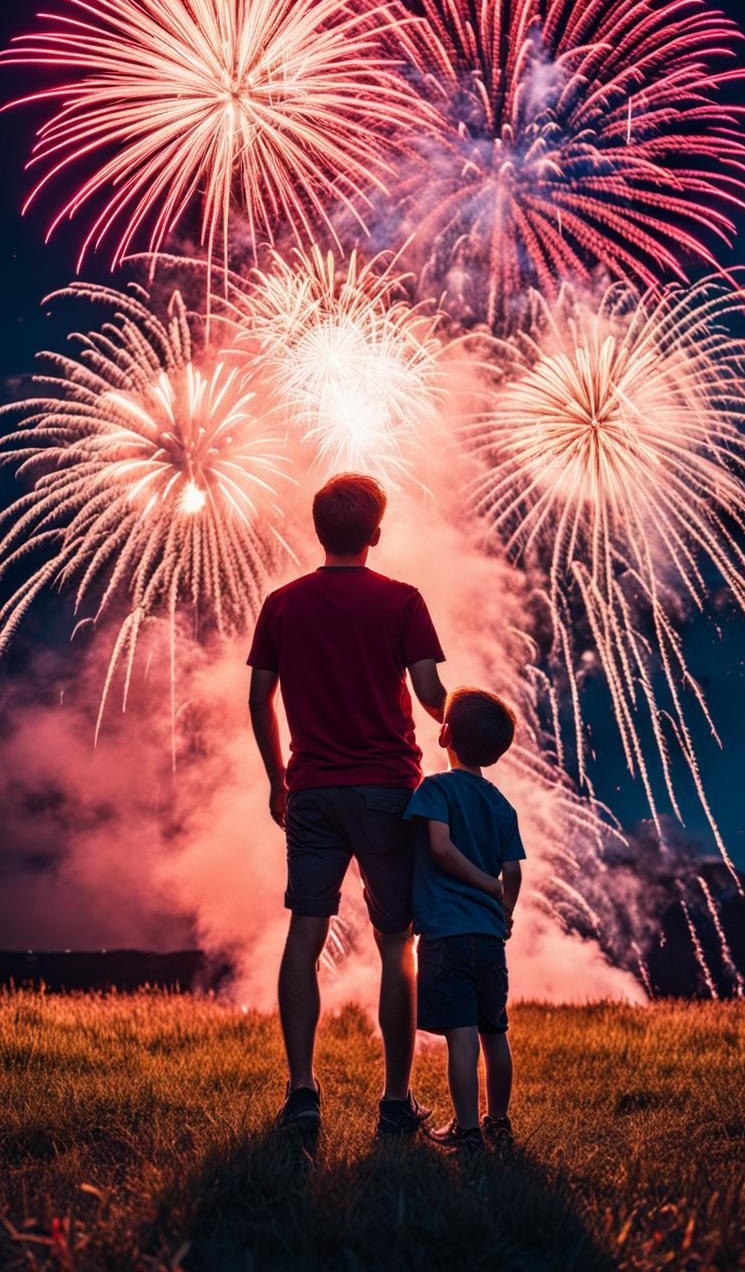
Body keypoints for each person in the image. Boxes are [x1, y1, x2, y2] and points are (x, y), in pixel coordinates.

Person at [247, 473, 447, 1136]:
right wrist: (462, 728)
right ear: (377, 535)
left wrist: (279, 779)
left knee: (305, 935)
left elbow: (259, 699)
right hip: (389, 789)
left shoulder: (282, 604)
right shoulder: (402, 601)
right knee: (397, 943)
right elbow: (428, 692)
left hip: (313, 791)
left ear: (318, 530)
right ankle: (396, 1102)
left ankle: (302, 1092)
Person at [403, 686, 524, 1152]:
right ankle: (499, 1122)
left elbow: (439, 848)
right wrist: (504, 911)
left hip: (445, 935)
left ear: (445, 734)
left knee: (461, 1038)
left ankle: (467, 1130)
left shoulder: (434, 790)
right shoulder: (501, 805)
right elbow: (513, 869)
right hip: (489, 938)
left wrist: (485, 886)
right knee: (496, 1033)